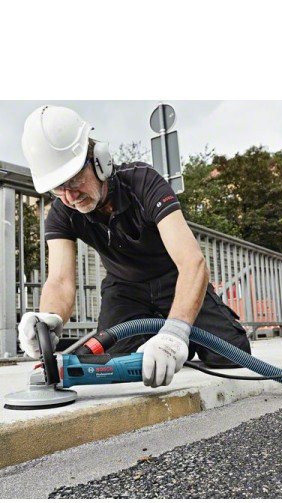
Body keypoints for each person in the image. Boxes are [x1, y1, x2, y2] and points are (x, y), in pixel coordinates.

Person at [18, 105, 251, 388]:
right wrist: (49, 318)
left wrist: (176, 332)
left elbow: (193, 262)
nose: (70, 196)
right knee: (116, 362)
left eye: (75, 179)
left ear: (100, 160)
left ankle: (180, 337)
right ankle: (163, 339)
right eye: (58, 187)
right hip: (125, 290)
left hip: (174, 279)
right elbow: (59, 279)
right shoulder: (61, 212)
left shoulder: (144, 182)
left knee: (232, 356)